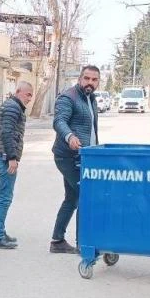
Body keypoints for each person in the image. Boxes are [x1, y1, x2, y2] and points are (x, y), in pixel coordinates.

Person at [49, 64, 101, 254]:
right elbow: (59, 121)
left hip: (85, 157)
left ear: (98, 82)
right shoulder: (68, 97)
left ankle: (57, 241)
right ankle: (83, 244)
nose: (90, 83)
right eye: (86, 78)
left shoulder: (91, 99)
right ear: (80, 79)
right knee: (86, 197)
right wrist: (69, 136)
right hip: (69, 157)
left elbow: (92, 129)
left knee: (72, 198)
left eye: (94, 80)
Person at [0, 81, 34, 249]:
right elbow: (6, 133)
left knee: (2, 197)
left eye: (31, 95)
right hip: (4, 158)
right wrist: (12, 158)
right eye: (27, 94)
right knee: (4, 198)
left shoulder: (13, 106)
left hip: (3, 157)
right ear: (17, 91)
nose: (29, 98)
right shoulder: (12, 107)